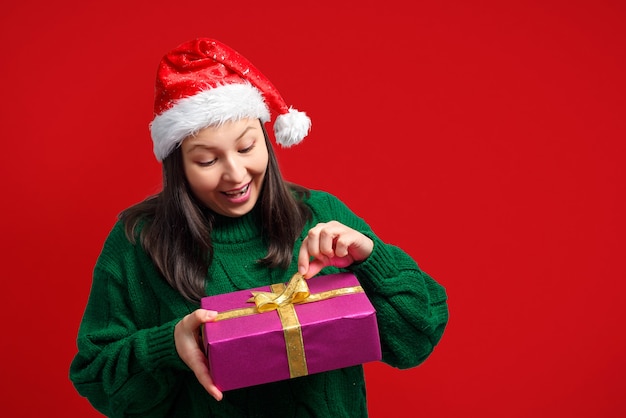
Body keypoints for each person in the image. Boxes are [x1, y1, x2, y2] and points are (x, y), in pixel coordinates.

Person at [69, 38, 449, 418]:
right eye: (206, 160)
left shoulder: (320, 215)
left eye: (247, 147)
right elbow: (97, 377)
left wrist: (371, 259)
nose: (235, 175)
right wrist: (168, 344)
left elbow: (417, 338)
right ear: (178, 165)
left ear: (266, 139)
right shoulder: (139, 242)